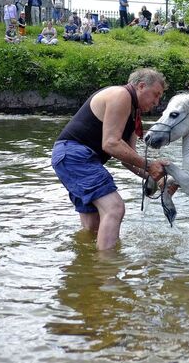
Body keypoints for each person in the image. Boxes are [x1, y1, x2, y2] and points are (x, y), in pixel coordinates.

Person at [51, 68, 168, 250]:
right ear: (141, 86)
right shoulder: (121, 95)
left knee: (93, 226)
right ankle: (108, 270)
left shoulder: (133, 114)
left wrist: (154, 176)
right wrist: (150, 165)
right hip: (75, 155)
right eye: (156, 95)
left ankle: (88, 269)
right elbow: (111, 144)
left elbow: (128, 158)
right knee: (114, 208)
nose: (157, 102)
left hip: (71, 158)